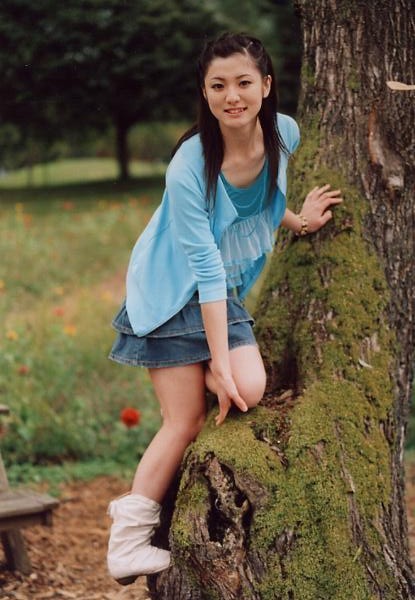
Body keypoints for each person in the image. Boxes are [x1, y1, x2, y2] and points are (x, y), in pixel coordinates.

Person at [106, 32, 342, 585]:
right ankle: (126, 543)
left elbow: (261, 201)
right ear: (205, 93)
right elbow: (206, 272)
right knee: (184, 421)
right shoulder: (189, 168)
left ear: (266, 85)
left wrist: (300, 222)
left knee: (250, 388)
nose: (231, 96)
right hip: (172, 293)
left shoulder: (284, 133)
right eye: (218, 86)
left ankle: (208, 371)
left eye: (242, 82)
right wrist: (219, 361)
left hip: (220, 296)